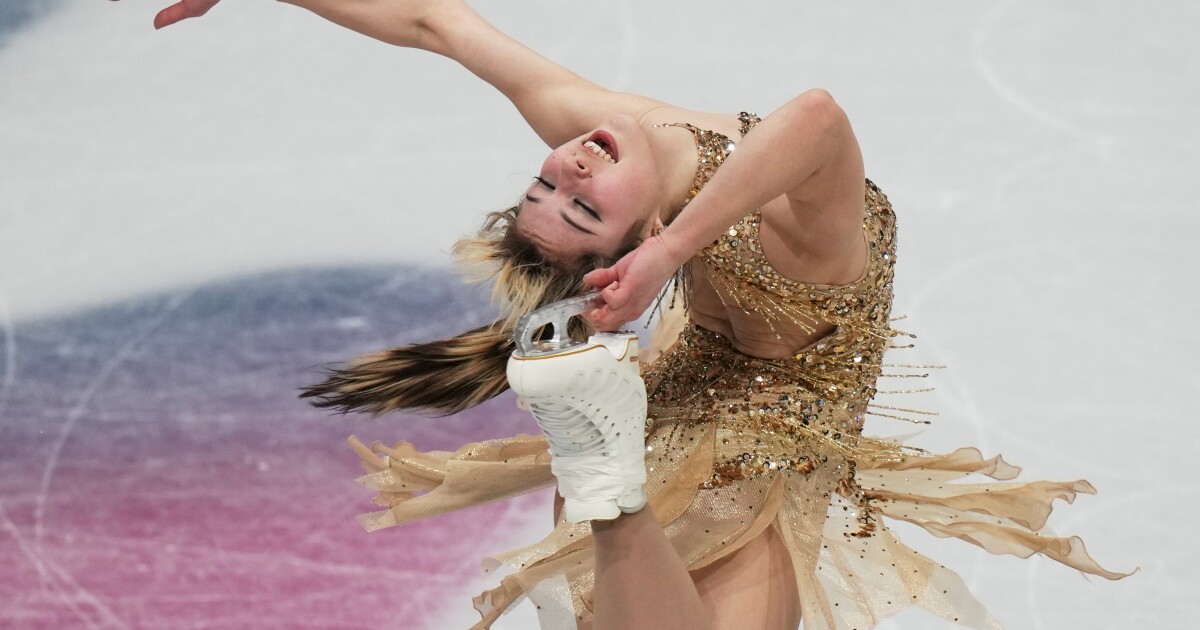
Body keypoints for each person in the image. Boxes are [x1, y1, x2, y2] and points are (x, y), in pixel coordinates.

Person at [139, 1, 1130, 629]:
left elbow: (438, 22)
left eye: (549, 185)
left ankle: (607, 490)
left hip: (719, 395)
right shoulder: (796, 238)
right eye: (580, 208)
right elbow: (819, 120)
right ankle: (608, 490)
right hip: (768, 427)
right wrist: (669, 252)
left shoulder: (615, 149)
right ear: (640, 236)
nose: (569, 167)